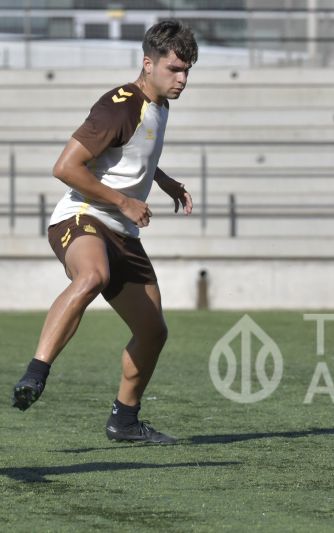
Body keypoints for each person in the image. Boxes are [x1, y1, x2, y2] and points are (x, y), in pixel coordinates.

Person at [11, 20, 198, 445]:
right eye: (175, 70)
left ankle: (125, 421)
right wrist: (124, 201)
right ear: (147, 64)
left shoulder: (159, 103)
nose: (183, 80)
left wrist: (162, 180)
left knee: (153, 332)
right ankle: (36, 374)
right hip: (82, 216)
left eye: (187, 71)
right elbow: (65, 168)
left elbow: (128, 151)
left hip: (122, 232)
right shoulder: (119, 104)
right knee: (92, 276)